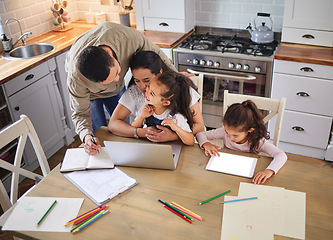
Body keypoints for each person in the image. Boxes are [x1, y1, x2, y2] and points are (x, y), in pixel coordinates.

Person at [65, 22, 177, 155]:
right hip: (92, 96)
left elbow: (157, 54)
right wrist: (86, 137)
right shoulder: (76, 79)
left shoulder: (128, 38)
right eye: (107, 81)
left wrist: (176, 78)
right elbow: (80, 113)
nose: (118, 80)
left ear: (109, 53)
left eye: (118, 72)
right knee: (99, 139)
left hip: (116, 91)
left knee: (122, 133)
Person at [108, 51, 205, 142]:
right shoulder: (134, 93)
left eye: (147, 80)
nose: (142, 87)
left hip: (184, 144)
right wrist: (141, 132)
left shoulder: (180, 89)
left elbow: (199, 126)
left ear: (159, 73)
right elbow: (113, 125)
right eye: (137, 80)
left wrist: (173, 136)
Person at [196, 100, 287, 184]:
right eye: (228, 133)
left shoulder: (258, 141)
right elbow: (200, 134)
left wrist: (269, 171)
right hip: (226, 173)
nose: (230, 138)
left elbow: (281, 155)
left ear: (250, 130)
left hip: (248, 178)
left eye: (235, 135)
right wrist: (206, 143)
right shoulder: (223, 132)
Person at [131, 71, 195, 145]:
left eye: (152, 93)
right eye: (149, 87)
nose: (146, 92)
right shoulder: (145, 108)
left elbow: (191, 141)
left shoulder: (175, 117)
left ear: (165, 102)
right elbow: (133, 128)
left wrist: (175, 128)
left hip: (171, 149)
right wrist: (141, 117)